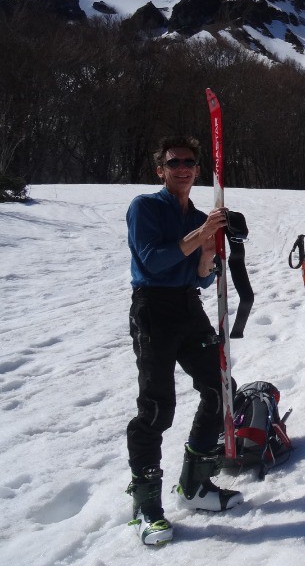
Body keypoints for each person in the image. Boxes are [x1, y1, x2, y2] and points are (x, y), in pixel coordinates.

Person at [124, 136, 242, 546]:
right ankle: (146, 507)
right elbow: (153, 260)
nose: (183, 168)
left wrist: (208, 253)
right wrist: (201, 233)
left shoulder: (196, 215)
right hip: (153, 309)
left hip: (188, 306)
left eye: (189, 162)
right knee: (157, 408)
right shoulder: (145, 207)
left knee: (220, 388)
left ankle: (194, 485)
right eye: (174, 162)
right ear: (160, 170)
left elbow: (201, 278)